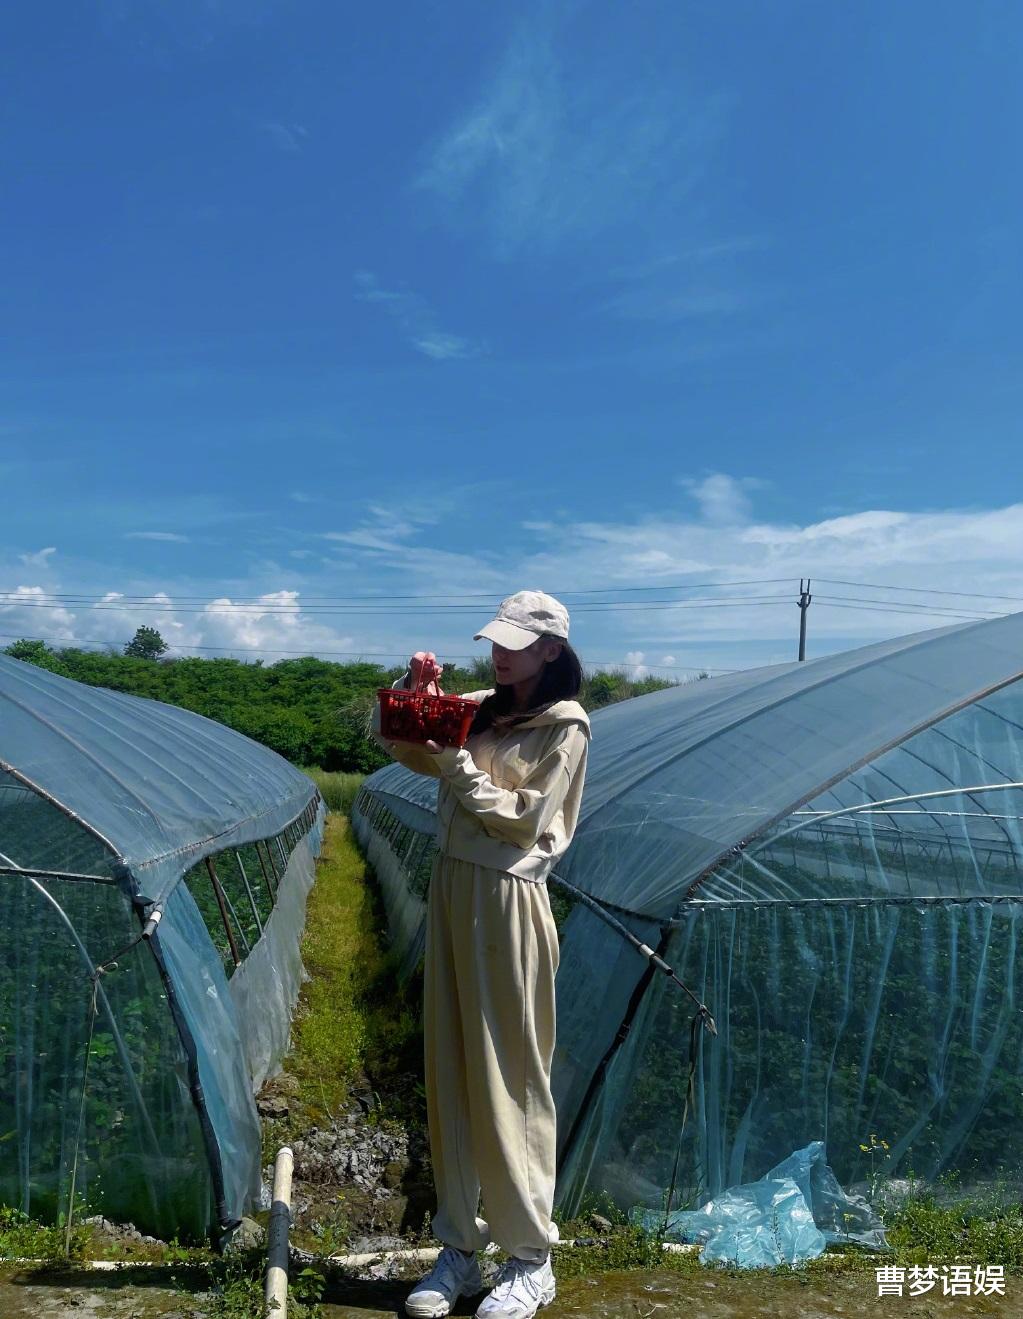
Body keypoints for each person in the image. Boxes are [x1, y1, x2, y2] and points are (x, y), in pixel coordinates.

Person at [372, 590, 590, 1319]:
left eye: (516, 643)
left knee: (511, 1074)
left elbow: (521, 823)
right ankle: (460, 1248)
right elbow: (404, 749)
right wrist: (416, 697)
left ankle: (530, 1256)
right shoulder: (481, 706)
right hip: (453, 887)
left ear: (551, 650)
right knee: (454, 1066)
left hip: (506, 895)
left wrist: (458, 763)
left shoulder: (565, 727)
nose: (499, 652)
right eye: (495, 640)